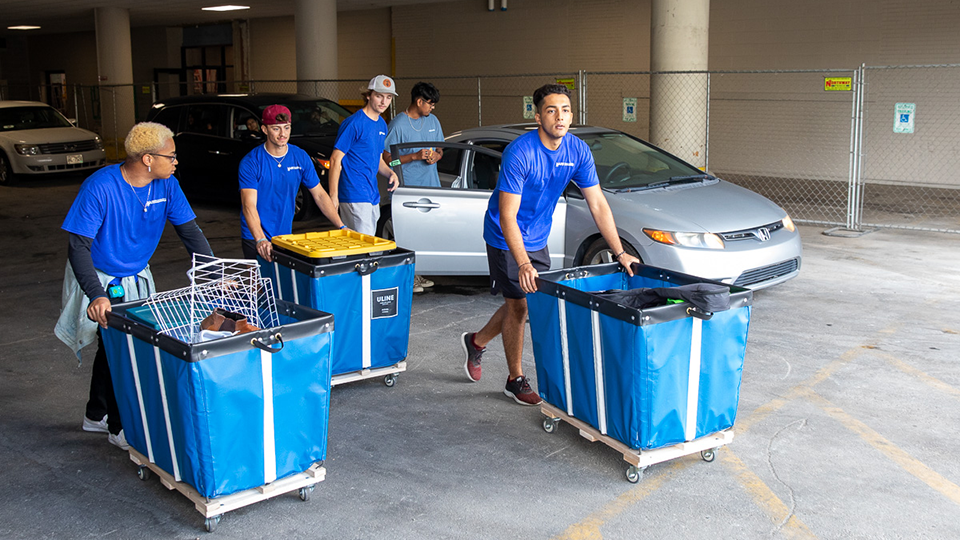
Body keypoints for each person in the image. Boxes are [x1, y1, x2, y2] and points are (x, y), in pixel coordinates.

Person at [460, 84, 640, 406]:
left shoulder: (577, 151)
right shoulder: (521, 152)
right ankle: (514, 379)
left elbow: (597, 203)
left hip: (538, 236)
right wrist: (524, 262)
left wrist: (620, 250)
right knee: (520, 304)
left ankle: (477, 341)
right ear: (537, 115)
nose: (560, 117)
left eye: (566, 110)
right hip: (505, 237)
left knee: (525, 302)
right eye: (551, 110)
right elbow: (507, 215)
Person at [54, 122, 214, 449]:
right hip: (100, 277)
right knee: (122, 349)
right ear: (147, 159)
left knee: (115, 346)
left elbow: (190, 233)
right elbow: (78, 247)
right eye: (170, 156)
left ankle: (95, 414)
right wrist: (96, 295)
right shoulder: (100, 187)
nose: (176, 161)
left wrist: (214, 273)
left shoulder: (167, 185)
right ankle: (118, 427)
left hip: (137, 275)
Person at [239, 104, 345, 262]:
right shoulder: (251, 162)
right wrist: (260, 240)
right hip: (255, 235)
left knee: (282, 283)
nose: (283, 134)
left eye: (287, 128)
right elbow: (249, 205)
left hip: (284, 235)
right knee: (259, 285)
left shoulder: (300, 157)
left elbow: (320, 195)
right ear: (264, 129)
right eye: (276, 129)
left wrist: (341, 226)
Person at [382, 82, 445, 293]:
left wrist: (436, 155)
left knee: (427, 233)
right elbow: (389, 160)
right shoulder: (398, 125)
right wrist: (414, 156)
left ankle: (419, 272)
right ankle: (410, 277)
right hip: (408, 191)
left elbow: (440, 149)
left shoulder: (433, 121)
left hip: (431, 188)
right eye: (430, 103)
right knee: (408, 236)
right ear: (419, 101)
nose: (432, 108)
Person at [328, 75, 400, 235]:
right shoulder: (354, 123)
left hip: (372, 193)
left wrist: (391, 172)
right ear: (368, 95)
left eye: (388, 97)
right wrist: (333, 196)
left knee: (362, 245)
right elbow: (335, 159)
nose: (384, 102)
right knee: (362, 247)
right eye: (379, 96)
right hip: (354, 192)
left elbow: (378, 159)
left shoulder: (382, 124)